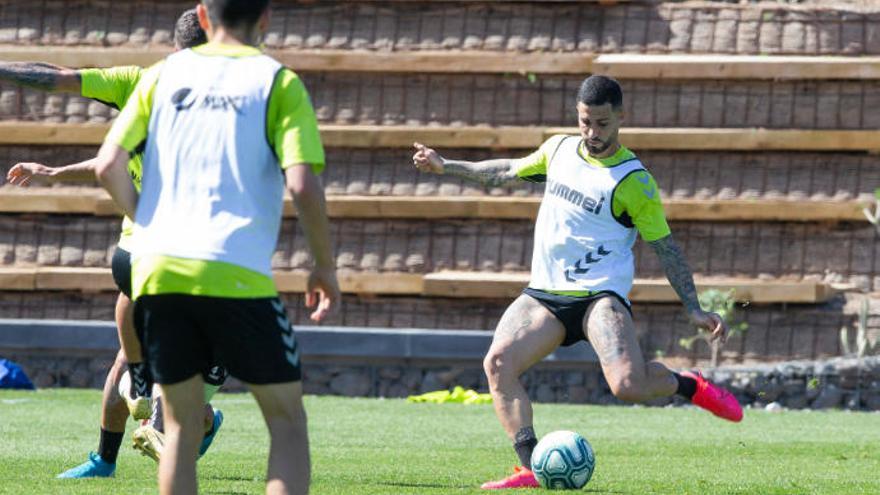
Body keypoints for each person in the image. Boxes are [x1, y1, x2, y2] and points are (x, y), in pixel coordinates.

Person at [412, 75, 743, 490]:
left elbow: (666, 247)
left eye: (602, 123)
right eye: (586, 121)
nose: (592, 133)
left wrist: (693, 307)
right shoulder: (560, 149)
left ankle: (688, 384)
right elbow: (506, 171)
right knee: (498, 364)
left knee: (626, 386)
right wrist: (447, 167)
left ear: (621, 117)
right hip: (545, 294)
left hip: (600, 298)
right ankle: (532, 468)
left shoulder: (633, 180)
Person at [93, 0, 339, 493]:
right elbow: (305, 186)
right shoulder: (277, 82)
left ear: (203, 18)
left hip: (160, 274)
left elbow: (106, 166)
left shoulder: (162, 75)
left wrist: (148, 219)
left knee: (179, 429)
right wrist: (324, 267)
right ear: (265, 19)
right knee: (287, 423)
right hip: (236, 275)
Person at [2, 9, 225, 477]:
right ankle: (105, 458)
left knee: (176, 385)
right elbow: (68, 91)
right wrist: (57, 172)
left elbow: (58, 82)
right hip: (148, 246)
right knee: (130, 351)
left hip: (204, 259)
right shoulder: (144, 82)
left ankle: (189, 426)